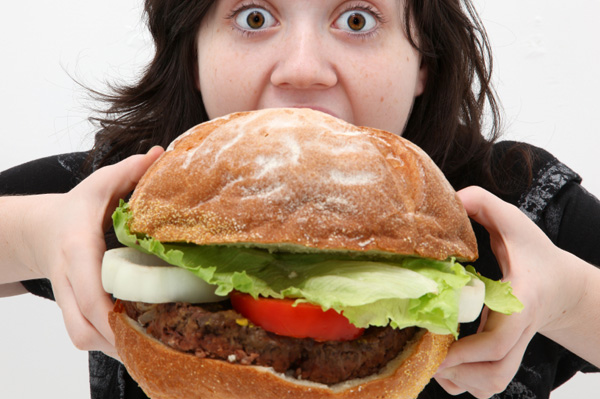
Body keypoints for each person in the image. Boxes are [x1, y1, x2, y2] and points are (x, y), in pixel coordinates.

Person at [1, 0, 599, 398]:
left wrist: (570, 299)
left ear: (424, 60)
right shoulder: (130, 192)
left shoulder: (515, 206)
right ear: (193, 52)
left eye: (358, 19)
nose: (304, 70)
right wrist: (34, 234)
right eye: (255, 16)